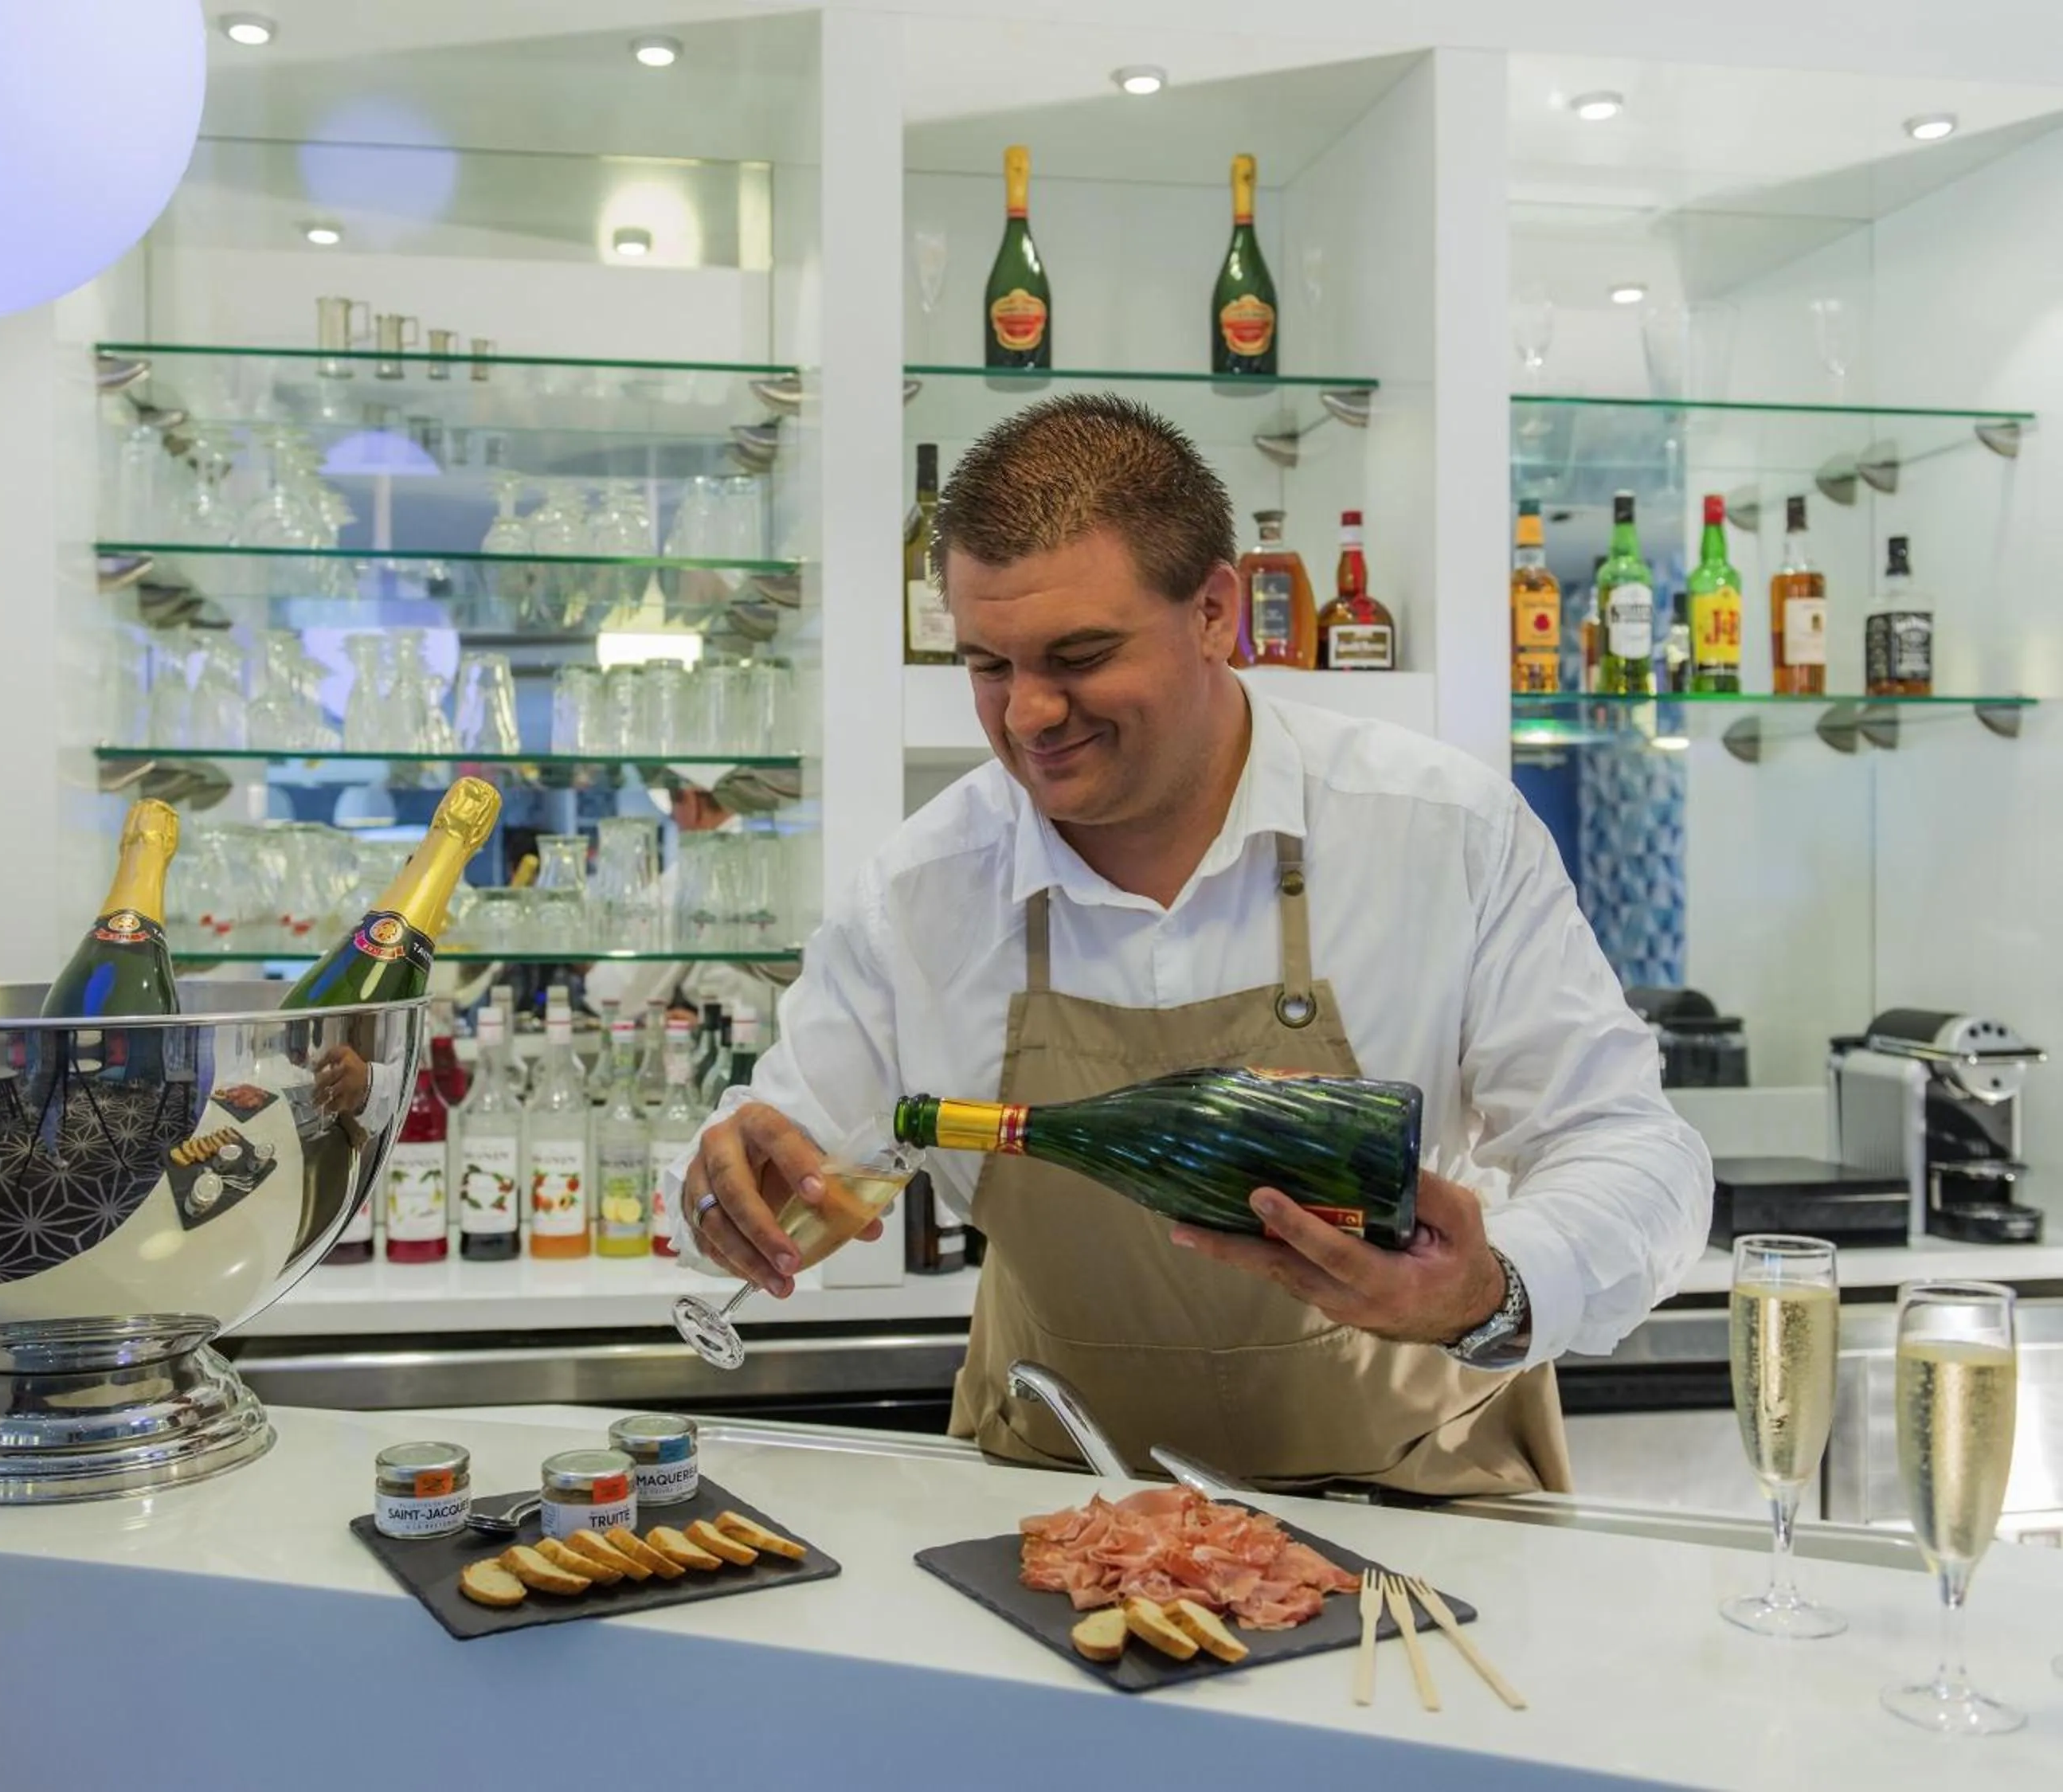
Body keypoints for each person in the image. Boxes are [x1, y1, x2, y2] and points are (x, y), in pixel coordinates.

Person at [673, 394, 1711, 1496]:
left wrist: (1490, 1288)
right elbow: (784, 1162)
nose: (1028, 714)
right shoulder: (918, 896)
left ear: (1217, 609)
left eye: (1078, 654)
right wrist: (721, 1198)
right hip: (1062, 1519)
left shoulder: (1441, 831)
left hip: (1417, 1512)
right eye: (988, 664)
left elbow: (1639, 1155)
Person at [583, 765, 785, 1024]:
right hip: (775, 1033)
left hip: (729, 1037)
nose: (675, 821)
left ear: (690, 801)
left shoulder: (693, 874)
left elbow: (618, 995)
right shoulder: (768, 858)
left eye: (673, 809)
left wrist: (588, 970)